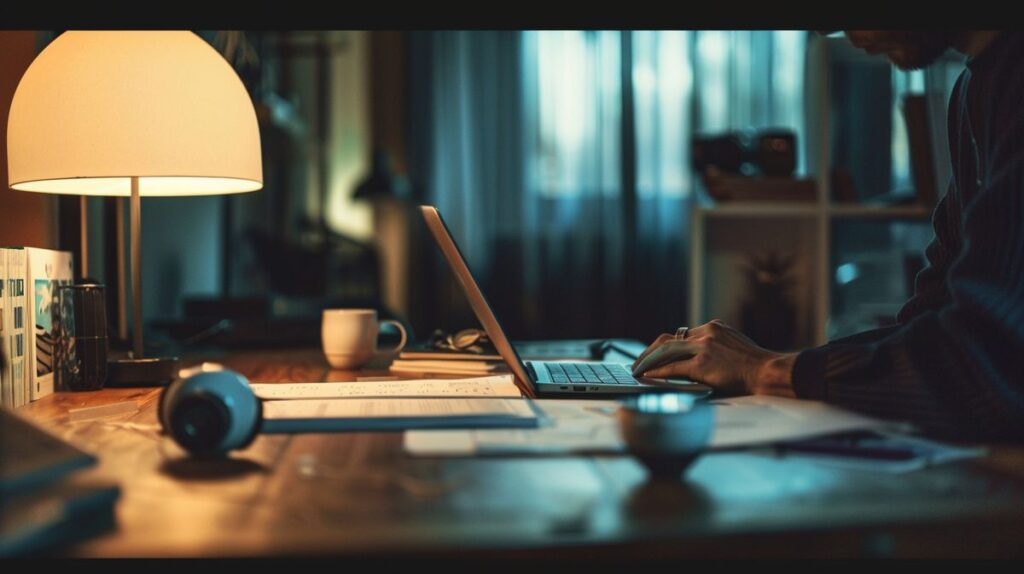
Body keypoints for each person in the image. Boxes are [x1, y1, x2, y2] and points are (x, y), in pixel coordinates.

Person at [632, 31, 1024, 442]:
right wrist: (769, 364)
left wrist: (766, 371)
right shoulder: (971, 92)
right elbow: (929, 322)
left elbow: (980, 370)